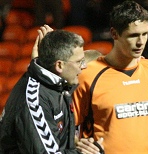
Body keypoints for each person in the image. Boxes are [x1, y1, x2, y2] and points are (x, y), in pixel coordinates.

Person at [72, 1, 148, 153]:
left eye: (145, 34)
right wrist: (79, 145)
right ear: (114, 33)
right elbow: (63, 129)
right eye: (133, 35)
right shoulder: (87, 76)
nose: (141, 42)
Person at [0, 25, 103, 153]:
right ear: (59, 65)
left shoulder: (59, 84)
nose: (83, 67)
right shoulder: (35, 99)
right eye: (79, 62)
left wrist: (80, 145)